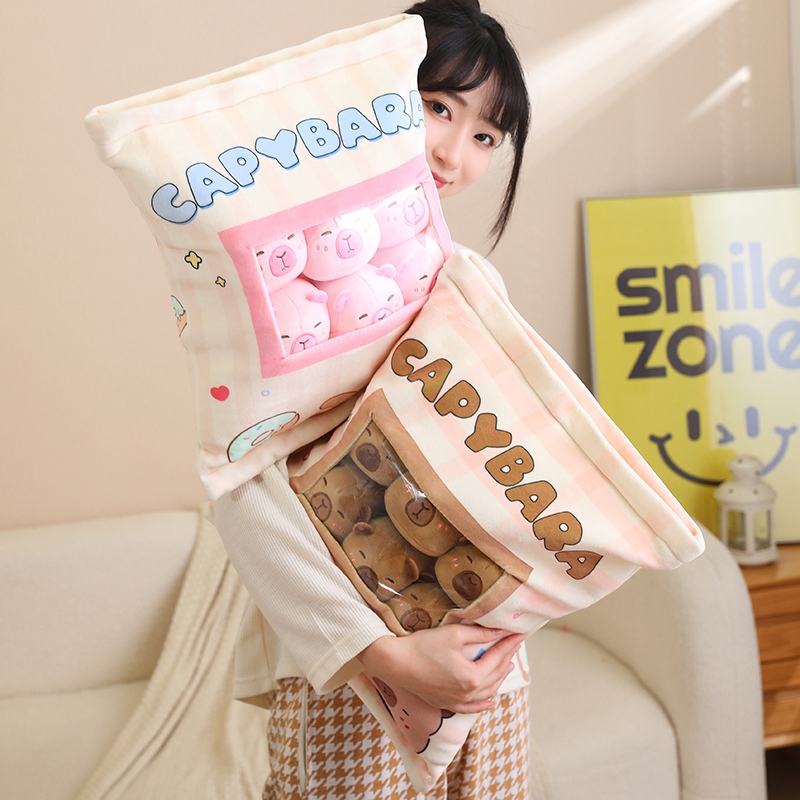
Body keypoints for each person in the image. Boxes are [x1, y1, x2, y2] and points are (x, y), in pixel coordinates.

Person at [213, 1, 532, 797]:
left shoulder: (474, 284)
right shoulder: (284, 282)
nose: (454, 153)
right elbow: (241, 488)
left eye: (487, 135)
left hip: (484, 666)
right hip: (351, 669)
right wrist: (384, 655)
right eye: (438, 107)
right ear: (374, 98)